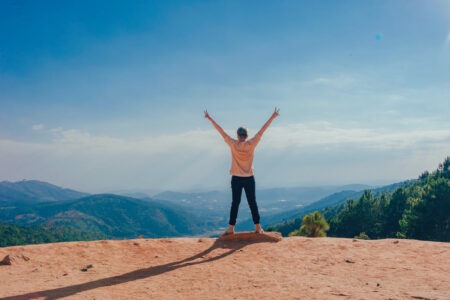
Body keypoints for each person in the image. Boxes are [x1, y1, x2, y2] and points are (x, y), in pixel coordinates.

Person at [204, 107, 280, 235]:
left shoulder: (233, 144)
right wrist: (273, 116)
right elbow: (262, 130)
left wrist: (210, 119)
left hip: (236, 178)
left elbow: (220, 131)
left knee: (235, 203)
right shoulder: (252, 144)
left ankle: (231, 228)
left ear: (238, 136)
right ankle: (258, 227)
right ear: (246, 136)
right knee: (252, 202)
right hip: (249, 178)